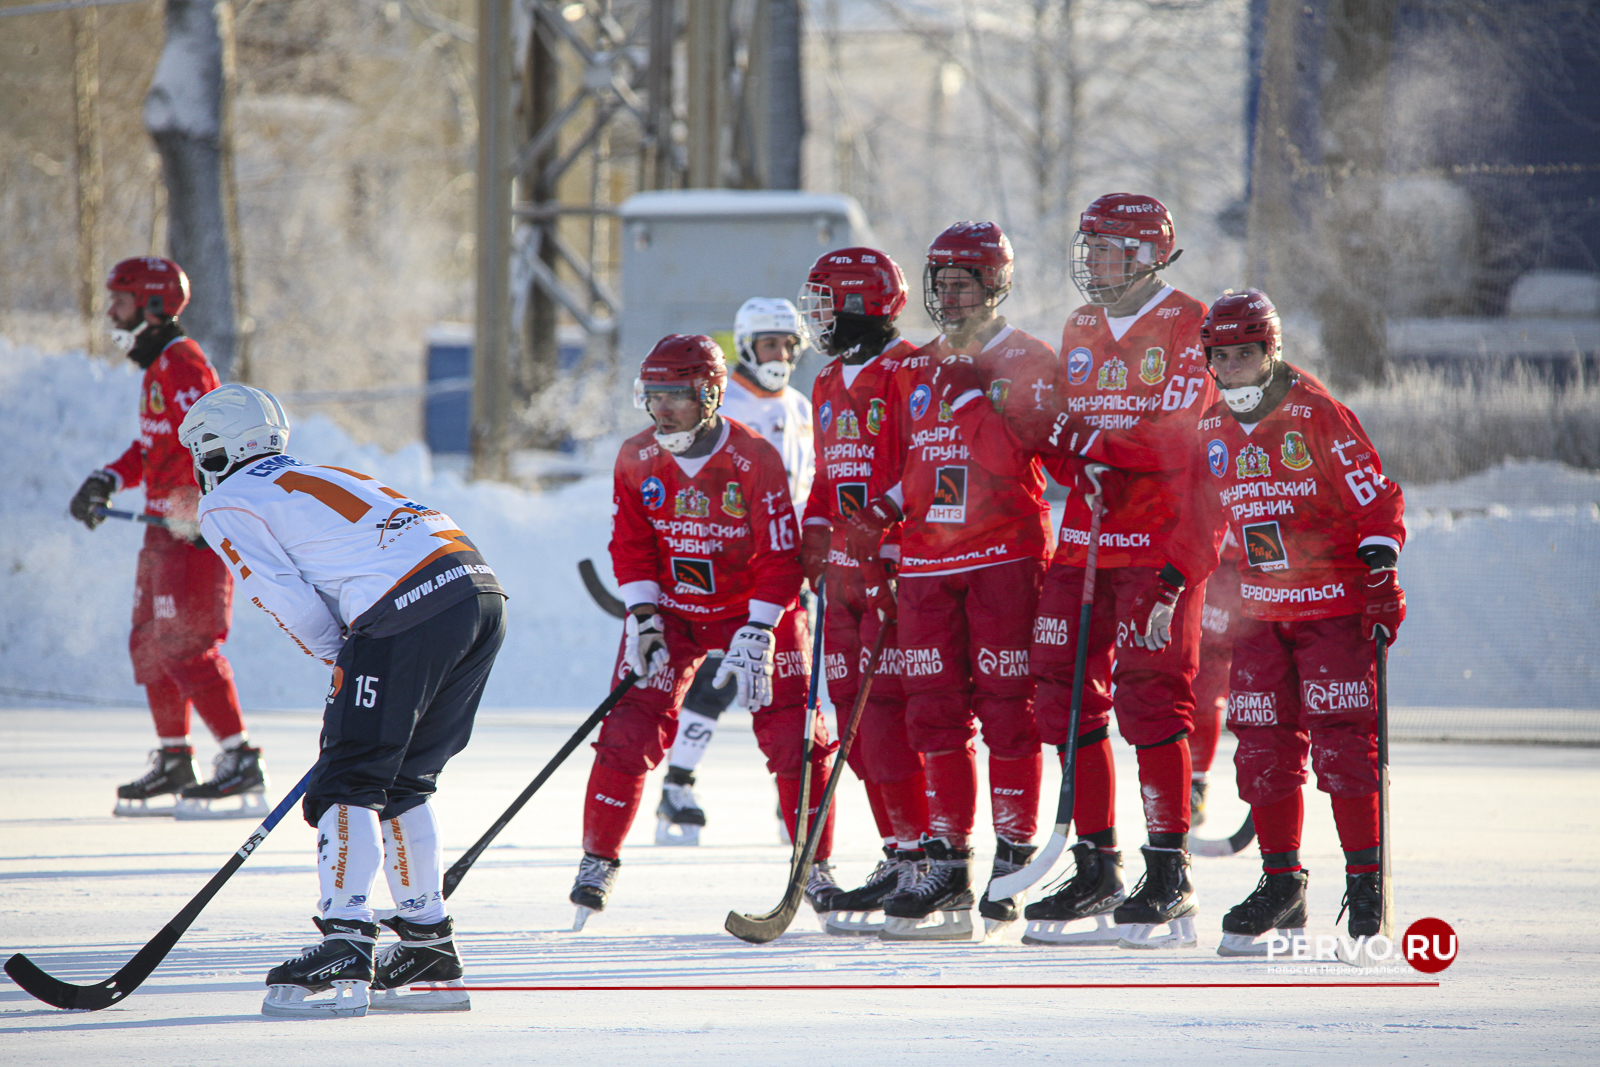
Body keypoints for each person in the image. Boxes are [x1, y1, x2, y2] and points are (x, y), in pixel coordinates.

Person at [178, 383, 505, 1017]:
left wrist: (345, 659)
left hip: (406, 609)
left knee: (349, 778)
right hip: (477, 593)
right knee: (404, 780)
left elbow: (287, 600)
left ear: (216, 450)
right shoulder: (310, 472)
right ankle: (428, 942)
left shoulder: (225, 502)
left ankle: (346, 940)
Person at [1157, 289, 1406, 954]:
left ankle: (1365, 883)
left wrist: (1381, 572)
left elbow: (1376, 500)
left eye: (1245, 353)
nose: (1232, 366)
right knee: (1262, 747)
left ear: (1270, 351)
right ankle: (1281, 882)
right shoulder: (1212, 429)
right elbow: (1201, 525)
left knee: (1343, 747)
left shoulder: (1316, 412)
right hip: (1263, 613)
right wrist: (1168, 586)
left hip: (1332, 609)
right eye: (1220, 356)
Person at [1012, 193, 1217, 948]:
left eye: (1108, 250)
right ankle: (1097, 863)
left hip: (1156, 539)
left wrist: (1090, 443)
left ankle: (1169, 871)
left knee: (1152, 699)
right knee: (1059, 688)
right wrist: (1069, 448)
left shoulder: (1191, 323)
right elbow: (1070, 437)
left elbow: (1174, 438)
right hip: (1085, 538)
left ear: (1148, 255)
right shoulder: (1081, 325)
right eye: (1089, 248)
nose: (1094, 262)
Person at [842, 222, 1058, 940]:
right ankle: (948, 861)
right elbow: (910, 464)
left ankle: (1014, 853)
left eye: (965, 281)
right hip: (929, 562)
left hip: (1002, 555)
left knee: (1007, 708)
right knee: (933, 712)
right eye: (941, 282)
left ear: (996, 284)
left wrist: (978, 397)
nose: (951, 294)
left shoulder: (1027, 358)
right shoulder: (913, 368)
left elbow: (1028, 455)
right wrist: (882, 514)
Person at [574, 334, 832, 926]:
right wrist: (643, 617)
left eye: (676, 396)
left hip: (754, 608)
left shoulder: (754, 457)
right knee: (627, 729)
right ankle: (597, 860)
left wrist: (761, 627)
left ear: (710, 395)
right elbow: (631, 547)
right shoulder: (637, 456)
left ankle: (815, 867)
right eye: (653, 395)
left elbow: (780, 555)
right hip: (674, 613)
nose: (661, 409)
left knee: (797, 736)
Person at [68, 256, 265, 819]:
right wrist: (109, 478)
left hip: (191, 535)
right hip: (162, 533)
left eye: (121, 301)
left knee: (186, 642)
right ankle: (176, 758)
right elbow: (157, 447)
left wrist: (202, 510)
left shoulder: (184, 364)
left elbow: (213, 444)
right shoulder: (158, 368)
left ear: (153, 306)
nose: (112, 313)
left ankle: (241, 758)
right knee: (150, 642)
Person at [796, 248, 930, 935]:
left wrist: (894, 541)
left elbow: (927, 463)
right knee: (856, 723)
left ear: (859, 303)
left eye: (827, 303)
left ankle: (926, 855)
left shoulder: (909, 370)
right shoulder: (826, 380)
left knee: (894, 719)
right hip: (844, 575)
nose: (818, 317)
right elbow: (828, 475)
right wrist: (814, 533)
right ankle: (897, 849)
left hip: (894, 568)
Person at [653, 298, 814, 846]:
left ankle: (792, 792)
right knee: (717, 678)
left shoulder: (800, 406)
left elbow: (807, 483)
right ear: (746, 346)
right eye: (771, 344)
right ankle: (677, 783)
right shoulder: (727, 403)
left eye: (789, 344)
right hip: (731, 565)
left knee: (793, 684)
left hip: (786, 566)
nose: (781, 354)